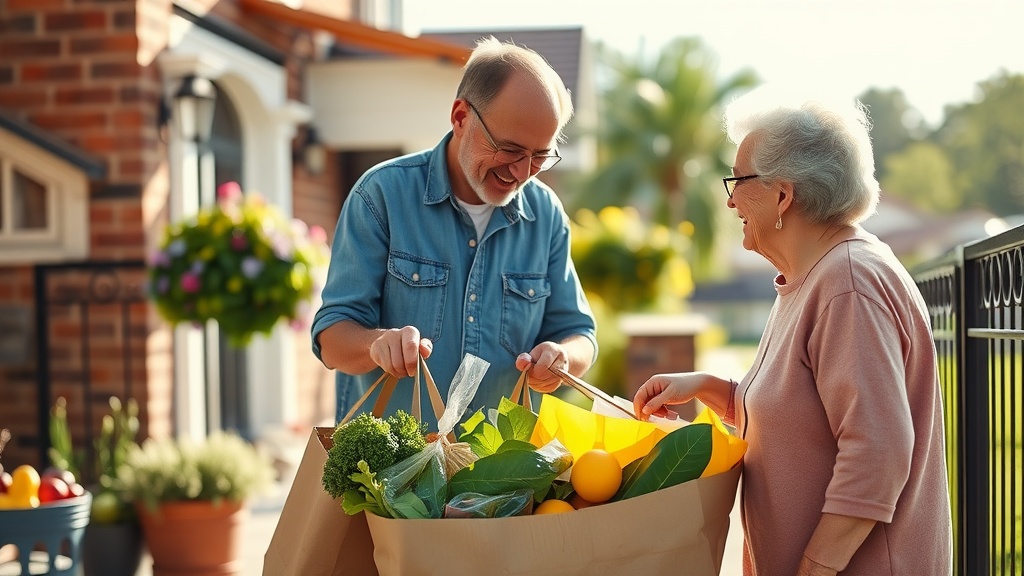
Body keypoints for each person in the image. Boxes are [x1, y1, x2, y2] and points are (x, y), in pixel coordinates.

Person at [633, 86, 952, 576]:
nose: (730, 200)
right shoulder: (814, 275)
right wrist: (709, 388)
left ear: (782, 194)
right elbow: (800, 415)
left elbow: (878, 452)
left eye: (737, 181)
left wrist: (814, 567)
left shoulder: (847, 283)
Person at [311, 37, 597, 428]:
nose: (521, 172)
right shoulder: (381, 196)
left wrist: (563, 356)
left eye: (540, 156)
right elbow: (331, 337)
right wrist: (376, 344)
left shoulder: (546, 215)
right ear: (461, 117)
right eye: (510, 149)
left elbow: (580, 334)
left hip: (500, 478)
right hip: (386, 477)